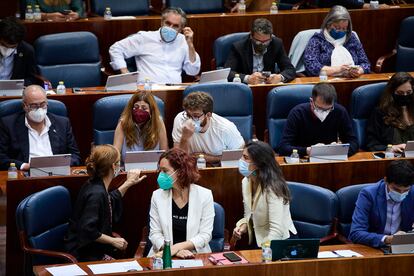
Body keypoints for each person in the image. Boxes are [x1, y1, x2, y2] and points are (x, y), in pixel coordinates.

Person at [65, 144, 146, 261]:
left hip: (91, 248)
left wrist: (129, 183)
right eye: (119, 163)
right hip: (83, 255)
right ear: (114, 166)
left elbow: (109, 201)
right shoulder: (96, 193)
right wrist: (113, 241)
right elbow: (87, 230)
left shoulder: (94, 184)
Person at [148, 148, 214, 258]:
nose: (160, 175)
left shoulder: (205, 195)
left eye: (165, 170)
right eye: (160, 170)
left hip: (194, 255)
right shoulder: (157, 196)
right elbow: (155, 234)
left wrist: (176, 248)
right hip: (164, 254)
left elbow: (205, 235)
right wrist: (174, 251)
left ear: (180, 172)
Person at [109, 7, 200, 84]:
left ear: (181, 29)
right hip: (148, 92)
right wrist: (125, 73)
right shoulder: (145, 37)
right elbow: (116, 48)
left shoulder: (184, 41)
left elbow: (193, 71)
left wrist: (190, 45)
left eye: (175, 26)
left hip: (174, 92)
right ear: (161, 22)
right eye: (168, 23)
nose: (170, 28)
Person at [0, 85, 81, 170]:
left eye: (43, 104)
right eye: (34, 106)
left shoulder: (62, 123)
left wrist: (61, 165)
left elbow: (75, 156)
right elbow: (1, 158)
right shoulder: (8, 124)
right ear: (24, 106)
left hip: (57, 173)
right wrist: (25, 166)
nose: (39, 109)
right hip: (26, 175)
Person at [232, 141, 297, 248]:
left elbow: (276, 230)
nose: (241, 161)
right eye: (242, 156)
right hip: (259, 239)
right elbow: (249, 214)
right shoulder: (246, 181)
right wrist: (242, 226)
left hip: (279, 242)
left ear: (259, 163)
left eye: (246, 158)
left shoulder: (272, 187)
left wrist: (262, 253)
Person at [276, 83, 359, 157]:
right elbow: (283, 148)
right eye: (320, 108)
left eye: (328, 109)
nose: (324, 113)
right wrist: (307, 151)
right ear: (311, 101)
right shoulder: (297, 113)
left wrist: (339, 149)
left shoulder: (339, 112)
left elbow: (353, 142)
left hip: (330, 159)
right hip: (303, 160)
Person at [349, 160, 414, 248]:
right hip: (375, 248)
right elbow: (356, 233)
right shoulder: (368, 194)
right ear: (386, 180)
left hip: (405, 248)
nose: (401, 194)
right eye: (396, 190)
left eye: (406, 190)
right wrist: (387, 239)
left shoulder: (412, 192)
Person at [172, 92, 245, 166]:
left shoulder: (225, 128)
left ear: (208, 115)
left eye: (195, 116)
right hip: (190, 167)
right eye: (188, 115)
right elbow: (178, 159)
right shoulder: (180, 119)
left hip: (217, 169)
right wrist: (184, 138)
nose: (190, 120)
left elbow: (239, 154)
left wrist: (212, 158)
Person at [303, 5, 370, 78]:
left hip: (352, 80)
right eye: (337, 28)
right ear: (328, 24)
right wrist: (338, 69)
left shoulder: (351, 38)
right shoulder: (317, 40)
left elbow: (366, 64)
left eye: (344, 28)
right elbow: (311, 67)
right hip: (326, 83)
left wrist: (358, 71)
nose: (341, 31)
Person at [224, 18, 296, 84]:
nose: (262, 44)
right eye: (258, 41)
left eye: (266, 41)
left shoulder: (276, 44)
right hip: (246, 88)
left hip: (268, 87)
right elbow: (227, 73)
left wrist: (280, 77)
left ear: (271, 37)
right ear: (251, 36)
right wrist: (248, 78)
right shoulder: (239, 47)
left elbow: (290, 69)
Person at [113, 91, 168, 162]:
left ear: (151, 111)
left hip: (153, 170)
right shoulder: (123, 123)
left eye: (144, 108)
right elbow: (115, 153)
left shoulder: (158, 122)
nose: (139, 111)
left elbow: (164, 153)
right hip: (127, 170)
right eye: (136, 107)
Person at [366, 72, 414, 153]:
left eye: (408, 92)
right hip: (393, 159)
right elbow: (372, 144)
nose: (405, 96)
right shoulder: (380, 113)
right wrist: (390, 148)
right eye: (400, 93)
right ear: (392, 93)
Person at [0, 17, 39, 86]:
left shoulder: (27, 50)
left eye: (12, 47)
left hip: (15, 91)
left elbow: (31, 78)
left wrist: (18, 85)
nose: (7, 49)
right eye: (3, 45)